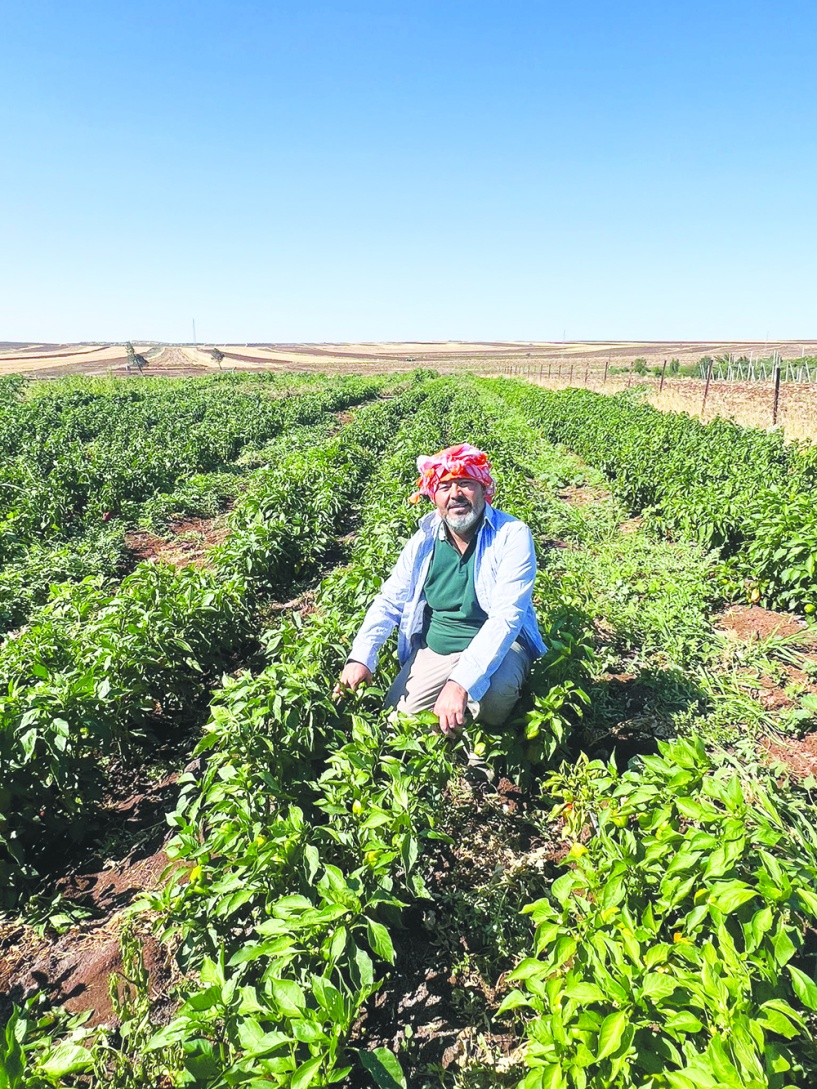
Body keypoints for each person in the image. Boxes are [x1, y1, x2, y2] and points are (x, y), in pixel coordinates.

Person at [333, 443, 546, 735]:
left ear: (484, 490)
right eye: (445, 486)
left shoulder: (511, 535)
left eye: (466, 483)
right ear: (434, 497)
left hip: (500, 646)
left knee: (495, 693)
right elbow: (390, 601)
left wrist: (459, 683)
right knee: (398, 724)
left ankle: (488, 740)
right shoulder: (423, 541)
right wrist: (361, 657)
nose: (456, 494)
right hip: (439, 647)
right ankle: (453, 725)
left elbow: (505, 618)